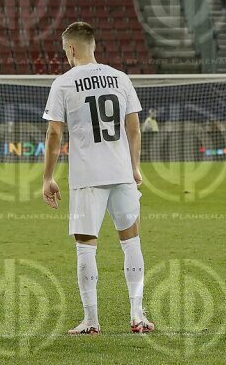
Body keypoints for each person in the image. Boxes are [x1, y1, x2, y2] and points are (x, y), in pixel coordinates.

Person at [42, 21, 153, 336]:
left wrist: (48, 177)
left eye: (66, 51)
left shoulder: (64, 83)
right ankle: (137, 316)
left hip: (87, 177)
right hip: (121, 173)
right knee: (131, 242)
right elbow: (133, 127)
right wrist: (135, 167)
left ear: (72, 49)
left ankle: (91, 321)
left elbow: (54, 132)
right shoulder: (120, 78)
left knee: (85, 248)